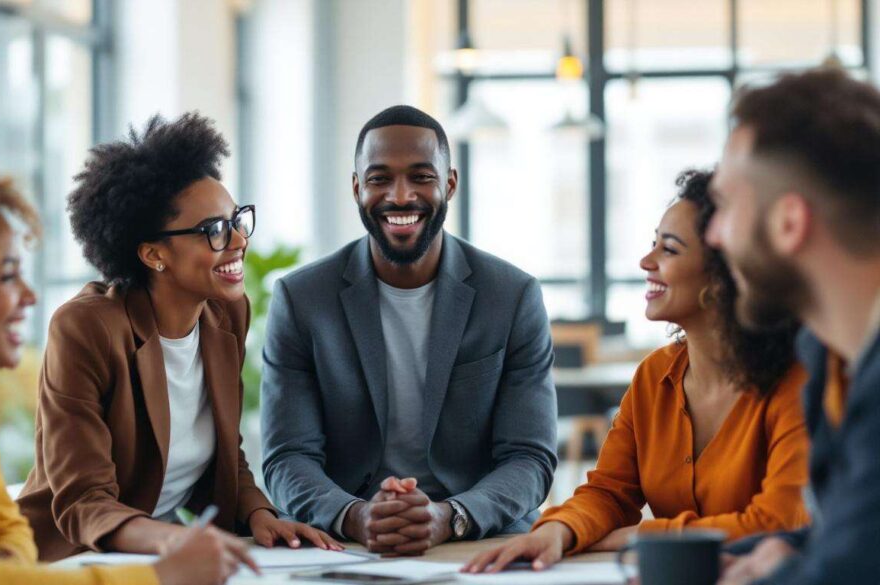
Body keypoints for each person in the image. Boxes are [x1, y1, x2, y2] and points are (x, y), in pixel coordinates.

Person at [0, 158, 257, 585]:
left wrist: (4, 568)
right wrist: (158, 576)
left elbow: (2, 527)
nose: (28, 296)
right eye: (7, 276)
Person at [16, 112, 337, 561]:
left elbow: (228, 450)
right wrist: (173, 542)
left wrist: (261, 513)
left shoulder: (226, 314)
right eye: (214, 230)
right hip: (71, 559)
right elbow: (83, 500)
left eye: (237, 220)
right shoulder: (87, 329)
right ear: (152, 254)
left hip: (161, 558)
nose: (238, 241)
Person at [464, 169, 811, 574]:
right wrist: (556, 532)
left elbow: (780, 523)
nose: (646, 262)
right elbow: (609, 492)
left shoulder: (796, 382)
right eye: (653, 245)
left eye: (670, 249)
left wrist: (642, 535)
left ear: (723, 276)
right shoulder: (655, 375)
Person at [259, 105, 558, 555]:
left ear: (450, 183)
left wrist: (450, 516)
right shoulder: (302, 300)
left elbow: (529, 457)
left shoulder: (512, 296)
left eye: (421, 176)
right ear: (357, 187)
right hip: (342, 540)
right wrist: (356, 516)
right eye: (379, 179)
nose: (401, 196)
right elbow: (288, 456)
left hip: (476, 535)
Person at [706, 68, 880, 585]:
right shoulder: (829, 356)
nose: (713, 235)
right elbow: (856, 535)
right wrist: (781, 551)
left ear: (789, 222)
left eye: (723, 206)